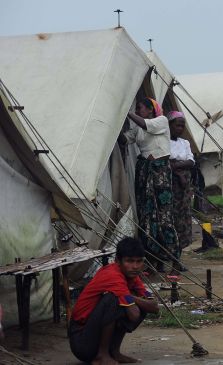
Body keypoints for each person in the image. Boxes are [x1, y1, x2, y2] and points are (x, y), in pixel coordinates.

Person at [69, 237, 159, 365]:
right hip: (81, 340)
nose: (135, 266)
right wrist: (132, 298)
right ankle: (102, 355)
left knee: (133, 300)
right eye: (129, 261)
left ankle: (114, 352)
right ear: (118, 261)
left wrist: (132, 297)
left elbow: (154, 306)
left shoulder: (132, 275)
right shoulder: (112, 275)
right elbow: (134, 315)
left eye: (139, 261)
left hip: (92, 333)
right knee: (114, 299)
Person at [122, 98, 178, 273]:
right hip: (145, 171)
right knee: (147, 216)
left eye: (140, 108)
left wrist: (127, 112)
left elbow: (146, 125)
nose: (138, 111)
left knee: (164, 216)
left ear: (150, 110)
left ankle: (175, 259)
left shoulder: (161, 121)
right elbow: (125, 139)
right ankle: (154, 260)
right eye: (137, 109)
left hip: (159, 171)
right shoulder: (138, 128)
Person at [168, 111, 195, 265]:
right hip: (170, 186)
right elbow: (166, 162)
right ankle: (166, 257)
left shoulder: (184, 143)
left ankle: (177, 258)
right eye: (177, 125)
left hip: (183, 189)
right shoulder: (164, 142)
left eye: (182, 126)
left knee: (182, 220)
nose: (180, 128)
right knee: (169, 220)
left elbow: (191, 162)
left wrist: (176, 167)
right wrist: (178, 173)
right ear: (170, 125)